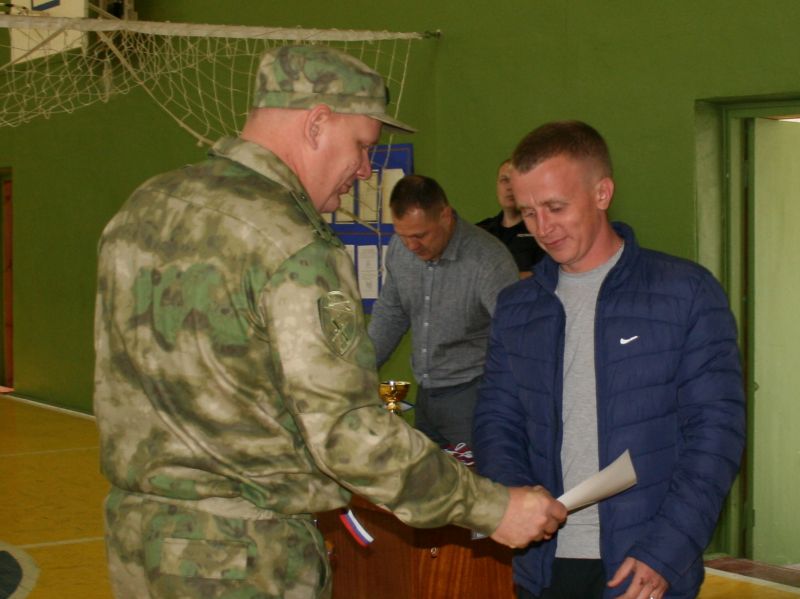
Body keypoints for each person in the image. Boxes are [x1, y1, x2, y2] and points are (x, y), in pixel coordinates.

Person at [93, 45, 567, 599]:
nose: (365, 170)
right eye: (362, 146)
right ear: (317, 123)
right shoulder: (293, 245)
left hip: (137, 543)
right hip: (244, 560)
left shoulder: (144, 208)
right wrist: (492, 508)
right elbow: (347, 436)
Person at [473, 120, 745, 599]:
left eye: (556, 207)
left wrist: (666, 551)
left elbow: (715, 435)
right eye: (529, 212)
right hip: (545, 562)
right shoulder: (517, 307)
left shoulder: (685, 292)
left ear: (602, 193)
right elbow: (497, 423)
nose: (542, 228)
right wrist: (516, 504)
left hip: (645, 564)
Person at [368, 174, 518, 451]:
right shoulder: (400, 250)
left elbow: (515, 337)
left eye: (419, 235)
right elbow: (390, 314)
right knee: (429, 476)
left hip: (474, 394)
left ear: (446, 216)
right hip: (426, 393)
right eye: (403, 235)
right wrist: (359, 368)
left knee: (478, 475)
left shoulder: (489, 261)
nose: (411, 246)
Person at [477, 158, 545, 277]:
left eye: (515, 180)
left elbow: (549, 276)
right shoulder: (481, 231)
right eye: (504, 180)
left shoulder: (543, 230)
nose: (509, 187)